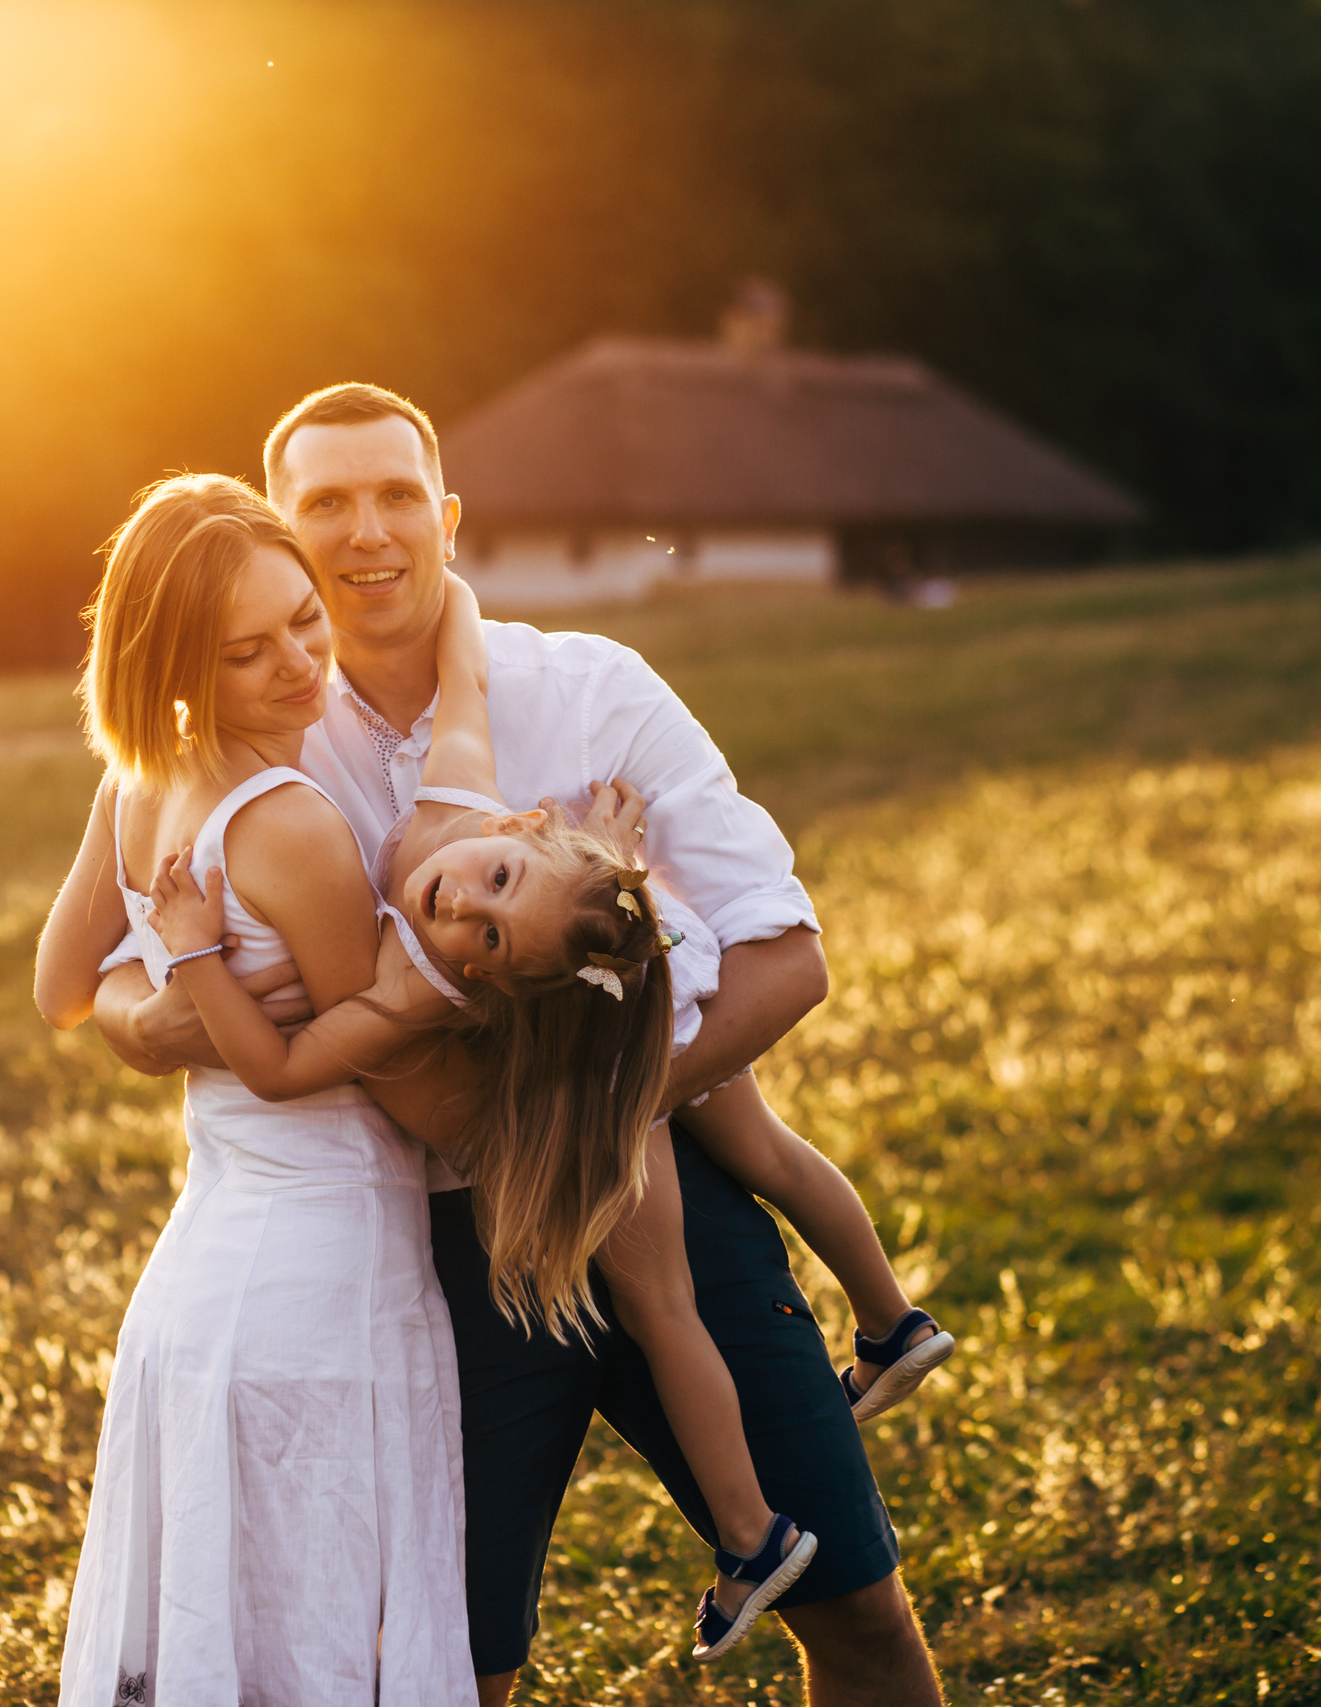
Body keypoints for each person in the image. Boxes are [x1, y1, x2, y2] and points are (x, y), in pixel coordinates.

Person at [89, 385, 948, 1704]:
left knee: (864, 1616)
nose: (366, 532)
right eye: (324, 503)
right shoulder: (246, 732)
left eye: (393, 495)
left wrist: (586, 1128)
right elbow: (112, 983)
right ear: (280, 536)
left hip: (655, 1190)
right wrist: (162, 1018)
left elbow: (788, 954)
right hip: (425, 1258)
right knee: (448, 1674)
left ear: (445, 514)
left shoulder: (591, 686)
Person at [32, 473, 473, 1705]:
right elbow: (403, 1079)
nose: (296, 665)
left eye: (302, 619)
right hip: (322, 1290)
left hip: (197, 1284)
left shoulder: (139, 788)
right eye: (245, 652)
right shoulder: (286, 825)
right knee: (317, 1638)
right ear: (177, 667)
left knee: (218, 1638)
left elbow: (62, 988)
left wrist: (167, 1018)